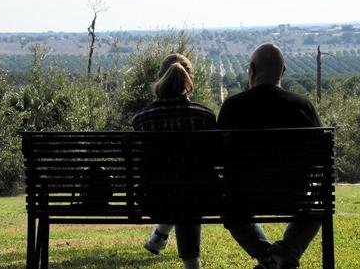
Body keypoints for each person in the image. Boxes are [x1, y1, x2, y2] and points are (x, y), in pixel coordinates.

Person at [217, 43, 321, 269]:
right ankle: (280, 258)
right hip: (295, 195)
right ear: (282, 72)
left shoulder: (232, 107)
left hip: (242, 198)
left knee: (230, 211)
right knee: (318, 201)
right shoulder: (303, 106)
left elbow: (218, 158)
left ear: (251, 70)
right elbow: (319, 159)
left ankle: (269, 260)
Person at [132, 53, 216, 269]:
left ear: (160, 77)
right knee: (188, 191)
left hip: (154, 199)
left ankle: (160, 236)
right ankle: (190, 262)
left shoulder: (142, 118)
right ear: (190, 80)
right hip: (199, 198)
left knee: (176, 191)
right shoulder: (204, 116)